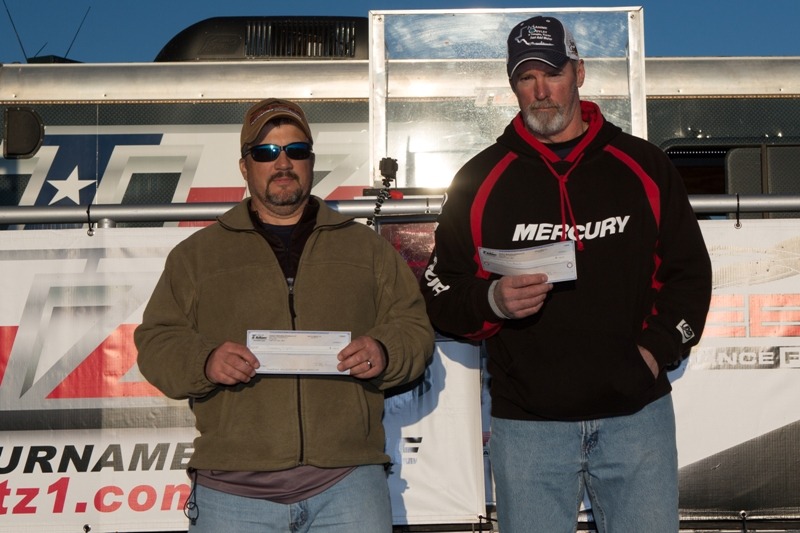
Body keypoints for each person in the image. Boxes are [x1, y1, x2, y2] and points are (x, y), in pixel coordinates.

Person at [420, 15, 712, 533]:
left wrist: (654, 351)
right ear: (513, 86)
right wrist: (493, 301)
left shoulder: (643, 164)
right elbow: (440, 290)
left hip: (635, 418)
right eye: (526, 77)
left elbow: (689, 274)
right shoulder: (478, 179)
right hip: (528, 427)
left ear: (579, 72)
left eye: (552, 73)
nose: (541, 91)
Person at [135, 98, 434, 532]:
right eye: (266, 152)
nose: (282, 163)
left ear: (310, 161)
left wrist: (385, 352)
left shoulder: (365, 248)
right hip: (232, 496)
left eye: (296, 150)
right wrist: (204, 361)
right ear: (244, 166)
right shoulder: (196, 256)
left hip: (348, 484)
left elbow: (415, 329)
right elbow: (156, 342)